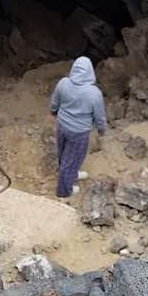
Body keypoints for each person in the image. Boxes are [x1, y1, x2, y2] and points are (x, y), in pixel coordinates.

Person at [50, 56, 106, 199]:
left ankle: (69, 174)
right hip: (79, 132)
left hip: (62, 125)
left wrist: (53, 111)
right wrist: (101, 129)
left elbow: (55, 101)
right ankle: (63, 191)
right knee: (72, 160)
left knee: (63, 154)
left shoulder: (63, 83)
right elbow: (99, 116)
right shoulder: (94, 93)